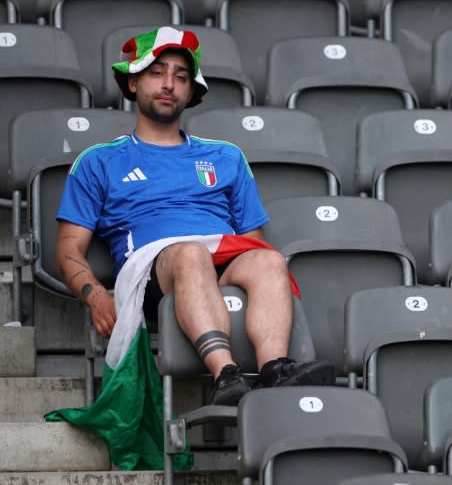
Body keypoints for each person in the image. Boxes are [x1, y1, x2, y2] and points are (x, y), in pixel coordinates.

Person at [55, 26, 335, 406]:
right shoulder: (99, 161)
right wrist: (96, 297)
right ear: (133, 83)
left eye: (181, 77)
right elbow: (69, 248)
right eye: (157, 73)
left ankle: (276, 370)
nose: (169, 83)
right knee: (190, 254)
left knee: (269, 259)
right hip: (155, 271)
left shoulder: (227, 156)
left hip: (220, 260)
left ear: (191, 92)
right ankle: (226, 375)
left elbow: (252, 240)